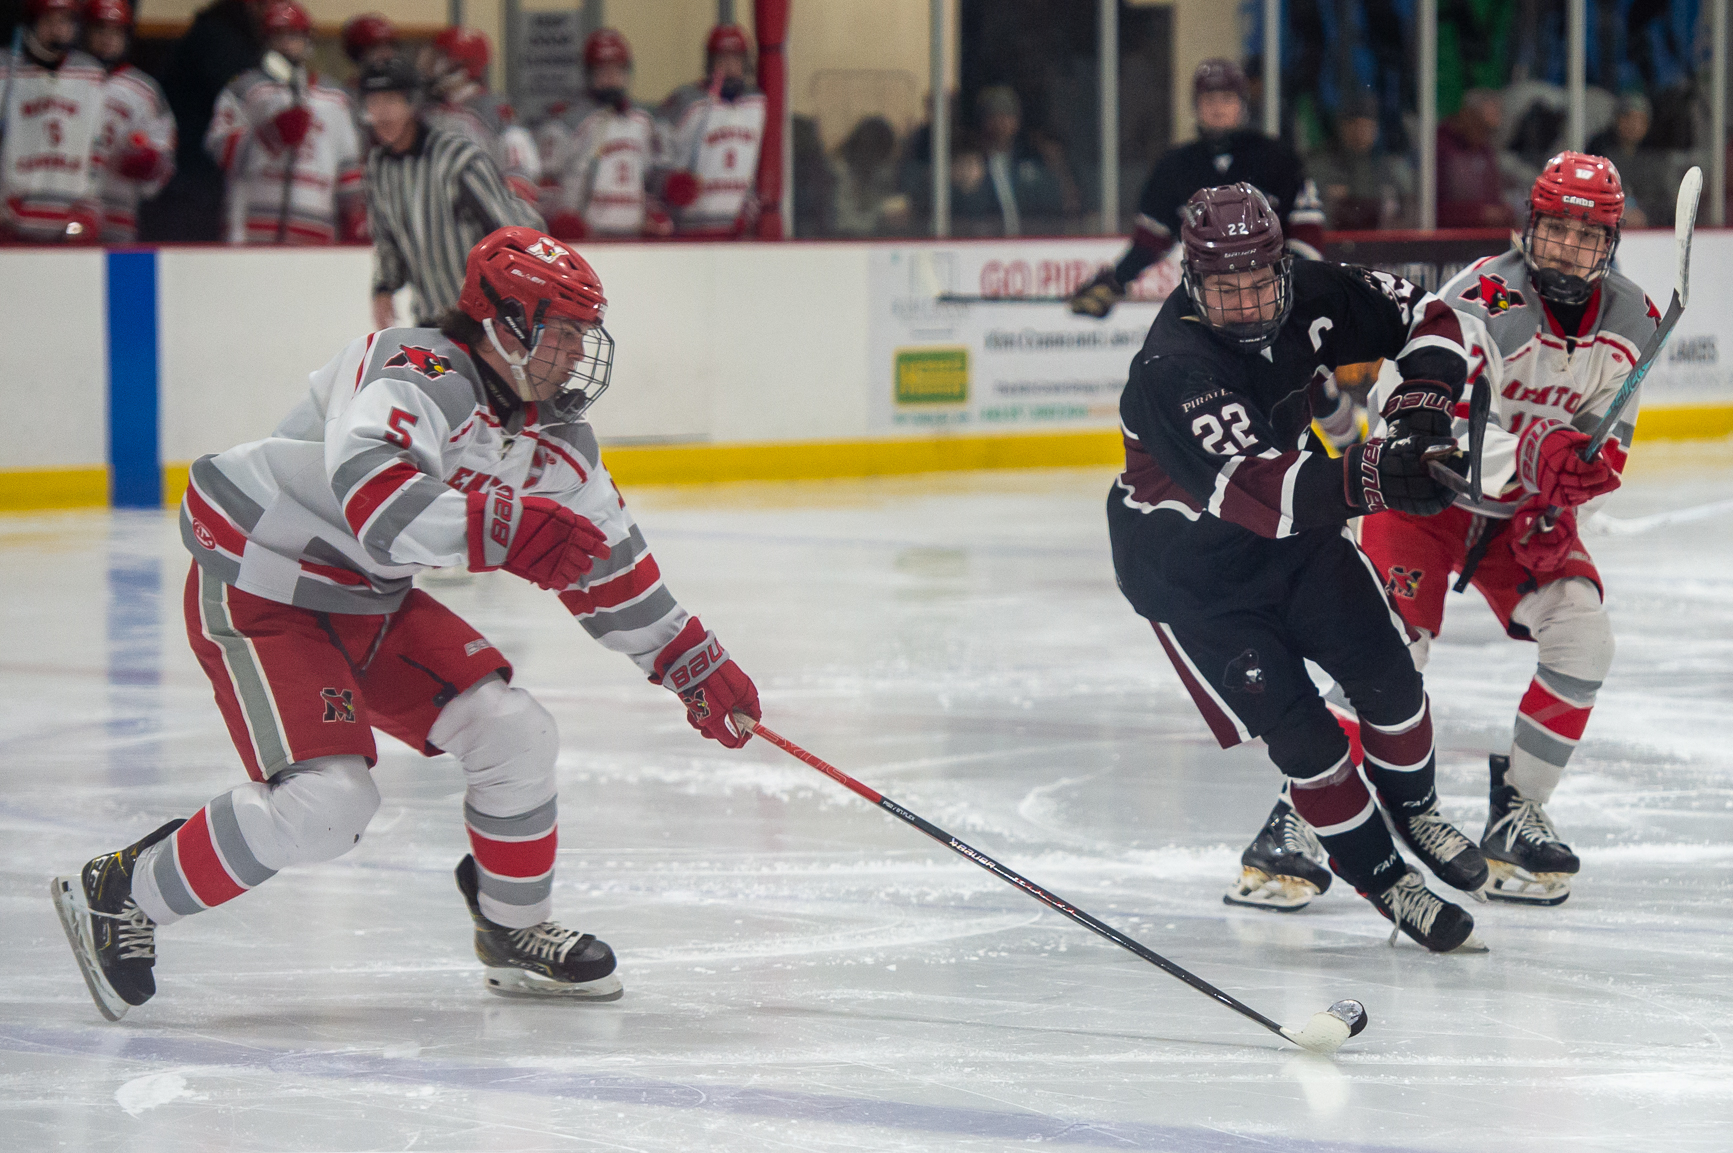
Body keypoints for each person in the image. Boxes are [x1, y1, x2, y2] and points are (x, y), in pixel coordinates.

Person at [51, 225, 765, 1022]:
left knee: (515, 730)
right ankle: (124, 890)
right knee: (328, 804)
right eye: (561, 332)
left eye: (582, 335)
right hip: (262, 584)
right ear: (503, 322)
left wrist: (690, 660)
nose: (576, 354)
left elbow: (610, 563)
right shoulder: (416, 370)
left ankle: (513, 928)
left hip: (368, 597)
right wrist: (504, 529)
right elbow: (376, 499)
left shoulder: (554, 436)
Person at [1109, 182, 1489, 953]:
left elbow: (1428, 316)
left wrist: (1421, 403)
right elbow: (1259, 494)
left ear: (1282, 267)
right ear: (1191, 283)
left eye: (1258, 282)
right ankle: (1387, 880)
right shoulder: (1173, 365)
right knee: (1307, 743)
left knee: (1390, 676)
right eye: (1225, 289)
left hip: (1294, 541)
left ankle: (1414, 809)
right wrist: (1377, 472)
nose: (1246, 304)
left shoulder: (1310, 289)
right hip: (1194, 583)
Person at [1345, 153, 1651, 905]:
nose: (1568, 250)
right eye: (1556, 231)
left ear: (1609, 244)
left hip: (1517, 514)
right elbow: (1415, 421)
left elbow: (1602, 442)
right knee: (1386, 653)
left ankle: (1518, 811)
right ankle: (1299, 816)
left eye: (1587, 236)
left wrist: (1566, 497)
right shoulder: (1480, 296)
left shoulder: (1634, 320)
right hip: (1419, 498)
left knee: (1582, 635)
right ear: (1528, 226)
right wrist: (1528, 454)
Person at [1070, 59, 1324, 317]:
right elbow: (1151, 240)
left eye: (1227, 99)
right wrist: (1116, 281)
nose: (1218, 108)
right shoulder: (1175, 166)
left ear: (1242, 105)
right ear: (1196, 106)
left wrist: (1289, 285)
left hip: (1272, 301)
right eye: (1209, 100)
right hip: (1211, 304)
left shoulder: (1279, 159)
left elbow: (1307, 231)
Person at [359, 54, 542, 330]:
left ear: (412, 103)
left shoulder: (458, 159)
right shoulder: (379, 168)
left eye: (391, 101)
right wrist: (383, 288)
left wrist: (516, 294)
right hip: (431, 321)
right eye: (373, 103)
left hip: (487, 320)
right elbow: (387, 239)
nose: (381, 114)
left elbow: (512, 228)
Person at [204, 0, 363, 244]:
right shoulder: (245, 90)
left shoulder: (335, 99)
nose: (286, 44)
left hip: (316, 233)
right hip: (250, 230)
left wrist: (355, 222)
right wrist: (270, 136)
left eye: (294, 35)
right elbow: (219, 150)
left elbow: (349, 168)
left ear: (308, 40)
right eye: (278, 36)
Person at [148, 0, 264, 240]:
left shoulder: (221, 31)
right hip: (191, 171)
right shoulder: (220, 39)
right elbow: (240, 97)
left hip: (193, 166)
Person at [539, 28, 668, 240]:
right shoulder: (567, 122)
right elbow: (548, 182)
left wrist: (654, 212)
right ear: (589, 74)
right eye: (603, 70)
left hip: (634, 234)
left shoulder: (643, 122)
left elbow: (651, 178)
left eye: (617, 70)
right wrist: (560, 219)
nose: (611, 78)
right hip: (586, 236)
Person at [0, 0, 108, 243]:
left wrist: (90, 205)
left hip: (71, 212)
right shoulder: (6, 69)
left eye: (65, 21)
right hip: (11, 214)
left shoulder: (90, 74)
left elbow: (97, 145)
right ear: (33, 23)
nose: (59, 29)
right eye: (49, 20)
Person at [657, 24, 766, 237]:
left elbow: (765, 167)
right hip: (690, 226)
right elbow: (657, 152)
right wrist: (668, 182)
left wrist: (752, 208)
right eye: (721, 59)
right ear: (710, 63)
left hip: (739, 229)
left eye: (736, 59)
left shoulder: (758, 104)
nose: (729, 67)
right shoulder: (686, 102)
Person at [420, 27, 541, 211]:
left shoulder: (494, 111)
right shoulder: (428, 111)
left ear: (461, 65)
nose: (431, 67)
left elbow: (520, 173)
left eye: (439, 59)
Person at [84, 0, 175, 243]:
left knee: (119, 265)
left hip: (119, 209)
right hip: (69, 207)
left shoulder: (144, 90)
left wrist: (148, 161)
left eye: (116, 32)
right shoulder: (69, 79)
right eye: (100, 30)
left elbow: (164, 155)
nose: (108, 39)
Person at [950, 86, 1065, 238]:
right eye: (993, 116)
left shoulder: (1031, 160)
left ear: (1017, 121)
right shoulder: (970, 163)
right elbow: (963, 214)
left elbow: (1053, 207)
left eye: (1007, 115)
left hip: (1032, 244)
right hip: (985, 244)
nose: (1001, 123)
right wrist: (968, 188)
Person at [1307, 90, 1413, 230]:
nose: (1360, 133)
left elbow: (1406, 212)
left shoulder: (1389, 167)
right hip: (1334, 238)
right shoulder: (1320, 164)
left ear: (1376, 129)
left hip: (1378, 240)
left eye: (1367, 126)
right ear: (1342, 127)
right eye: (1354, 125)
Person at [1587, 93, 1672, 228]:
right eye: (1628, 118)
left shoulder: (1656, 158)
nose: (1634, 125)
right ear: (1617, 120)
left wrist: (1645, 215)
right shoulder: (1598, 152)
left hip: (1649, 232)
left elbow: (1667, 203)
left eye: (1640, 120)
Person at [1436, 88, 1514, 228]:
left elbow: (1495, 199)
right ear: (1466, 115)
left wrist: (1504, 212)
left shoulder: (1485, 151)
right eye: (1482, 127)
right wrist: (1479, 214)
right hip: (1448, 236)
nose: (1486, 136)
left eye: (1491, 131)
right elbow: (1430, 211)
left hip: (1483, 236)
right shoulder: (1438, 148)